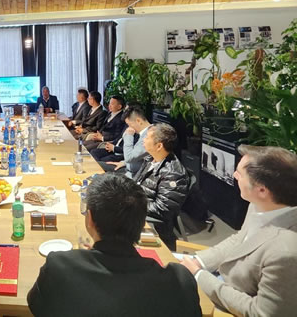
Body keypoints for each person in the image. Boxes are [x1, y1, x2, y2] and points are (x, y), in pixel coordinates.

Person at [27, 174, 201, 317]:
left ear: (89, 219)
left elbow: (36, 306)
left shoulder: (59, 266)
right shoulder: (180, 282)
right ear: (142, 224)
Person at [180, 145, 297, 316]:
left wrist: (200, 276)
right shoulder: (259, 205)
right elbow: (240, 240)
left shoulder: (286, 252)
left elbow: (260, 313)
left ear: (262, 190)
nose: (234, 175)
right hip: (220, 282)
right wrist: (198, 262)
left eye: (240, 174)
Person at [134, 123, 189, 250]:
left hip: (153, 226)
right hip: (138, 211)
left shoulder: (173, 174)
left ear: (159, 146)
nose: (143, 140)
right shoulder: (151, 159)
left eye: (147, 137)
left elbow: (163, 209)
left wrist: (133, 205)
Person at [103, 105, 152, 175]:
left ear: (138, 121)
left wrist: (128, 136)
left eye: (129, 124)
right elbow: (135, 156)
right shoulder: (145, 132)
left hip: (134, 173)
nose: (129, 127)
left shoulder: (149, 135)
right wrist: (124, 163)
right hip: (128, 167)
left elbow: (129, 157)